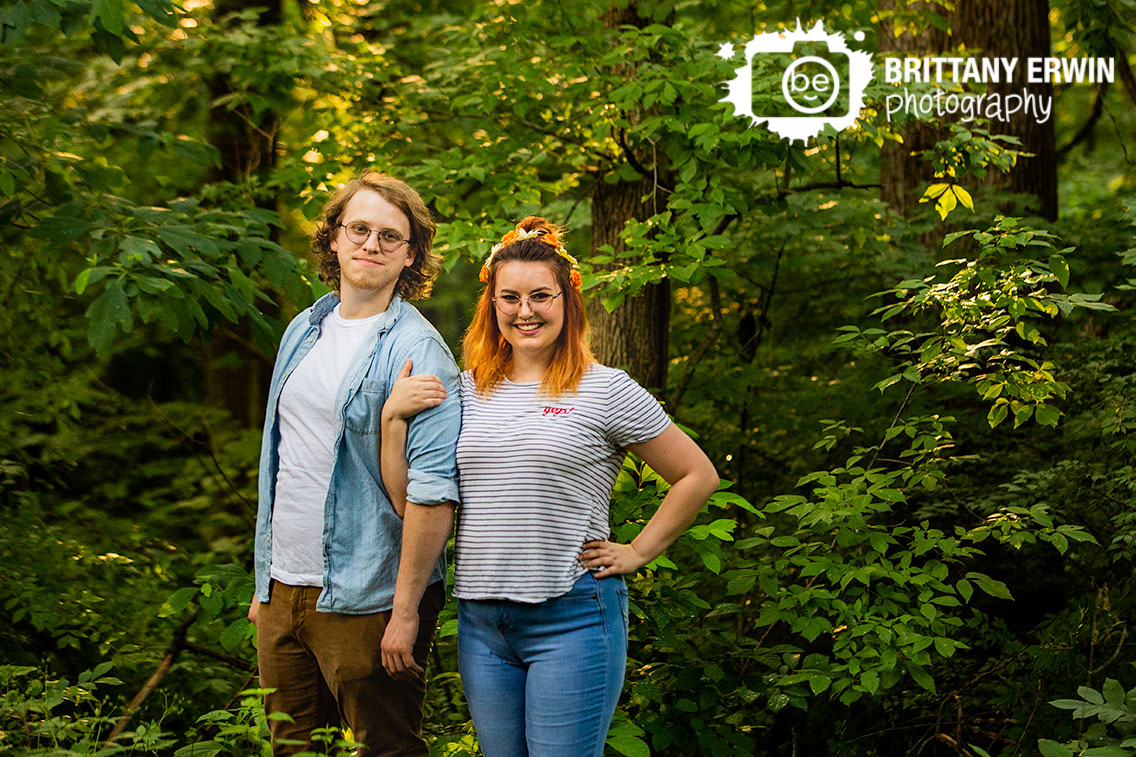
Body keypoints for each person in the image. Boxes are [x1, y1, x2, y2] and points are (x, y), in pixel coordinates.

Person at [381, 217, 720, 756]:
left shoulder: (606, 389)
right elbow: (412, 500)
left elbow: (697, 475)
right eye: (510, 297)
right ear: (492, 304)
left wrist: (637, 551)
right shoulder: (465, 391)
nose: (525, 311)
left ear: (568, 299)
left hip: (573, 616)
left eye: (541, 295)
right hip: (482, 625)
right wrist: (393, 422)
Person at [247, 172, 461, 756]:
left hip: (369, 597)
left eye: (389, 237)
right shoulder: (304, 329)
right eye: (359, 229)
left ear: (410, 254)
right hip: (283, 589)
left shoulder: (419, 354)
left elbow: (435, 494)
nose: (370, 245)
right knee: (293, 748)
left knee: (386, 749)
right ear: (334, 239)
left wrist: (406, 611)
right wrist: (265, 581)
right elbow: (282, 458)